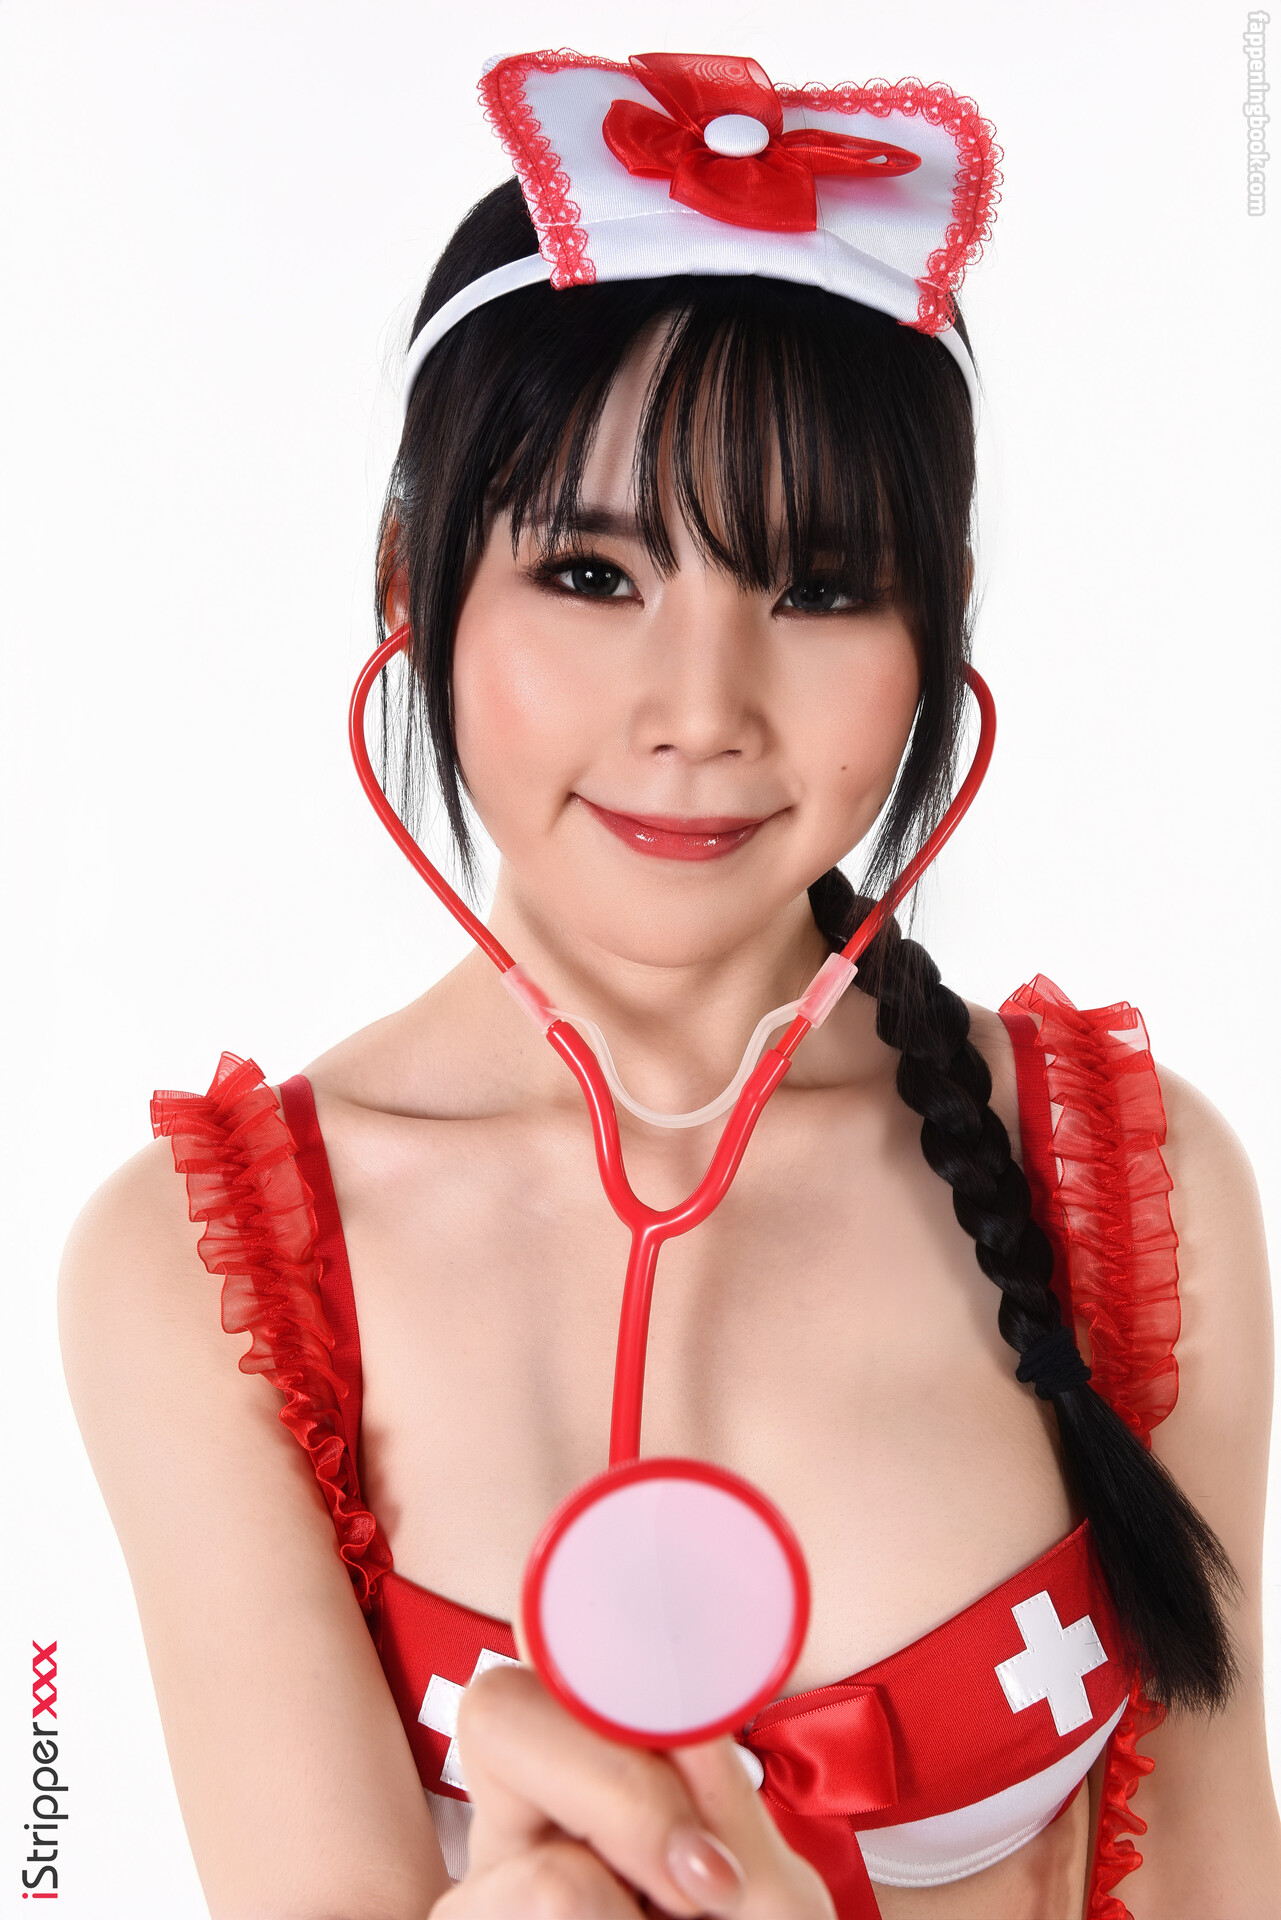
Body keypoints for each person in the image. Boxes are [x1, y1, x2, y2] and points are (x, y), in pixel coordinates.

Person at [58, 48, 1280, 1920]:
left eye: (820, 588)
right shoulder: (203, 1275)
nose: (701, 715)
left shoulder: (1131, 1184)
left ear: (940, 618)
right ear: (409, 581)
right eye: (590, 573)